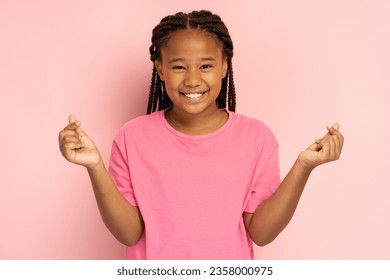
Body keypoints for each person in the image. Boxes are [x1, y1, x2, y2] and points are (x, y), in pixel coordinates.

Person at [58, 10, 344, 260]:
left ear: (224, 67)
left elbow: (262, 233)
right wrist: (94, 166)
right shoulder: (131, 137)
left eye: (205, 66)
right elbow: (129, 234)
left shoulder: (257, 138)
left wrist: (304, 167)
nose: (193, 79)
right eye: (179, 67)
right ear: (160, 69)